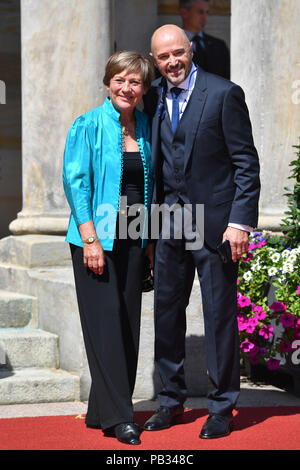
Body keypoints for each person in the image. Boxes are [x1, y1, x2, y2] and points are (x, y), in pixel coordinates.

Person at [142, 25, 260, 439]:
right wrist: (147, 233)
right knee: (166, 317)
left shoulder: (225, 93)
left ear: (190, 49)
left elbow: (246, 163)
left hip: (215, 227)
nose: (172, 62)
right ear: (154, 60)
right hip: (167, 226)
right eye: (163, 57)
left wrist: (239, 223)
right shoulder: (151, 96)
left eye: (178, 52)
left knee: (219, 318)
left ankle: (222, 409)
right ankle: (170, 402)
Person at [63, 51, 154, 445]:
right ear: (108, 82)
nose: (126, 88)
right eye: (120, 79)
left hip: (135, 237)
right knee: (105, 326)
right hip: (95, 239)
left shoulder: (147, 125)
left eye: (135, 82)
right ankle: (121, 418)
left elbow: (149, 188)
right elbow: (76, 182)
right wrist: (90, 239)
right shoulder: (87, 124)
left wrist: (149, 242)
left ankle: (101, 409)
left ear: (144, 89)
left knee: (128, 327)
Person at [179, 0, 230, 79]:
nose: (205, 17)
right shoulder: (172, 46)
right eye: (200, 12)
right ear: (184, 13)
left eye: (207, 12)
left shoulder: (219, 46)